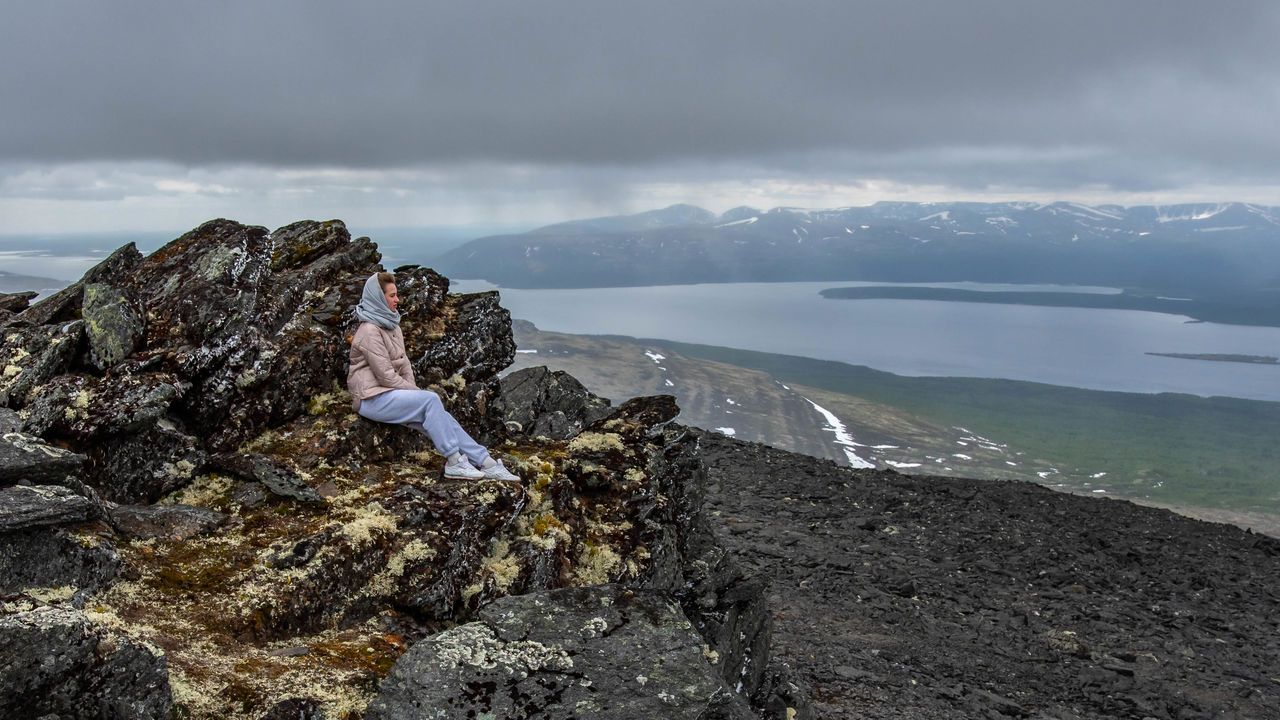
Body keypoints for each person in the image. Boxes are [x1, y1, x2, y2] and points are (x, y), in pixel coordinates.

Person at [346, 271, 520, 481]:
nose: (397, 300)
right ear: (378, 297)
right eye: (392, 295)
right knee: (430, 400)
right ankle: (454, 461)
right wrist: (417, 394)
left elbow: (404, 365)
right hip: (370, 399)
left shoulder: (392, 325)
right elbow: (386, 377)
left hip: (389, 394)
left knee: (441, 417)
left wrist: (413, 394)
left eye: (396, 295)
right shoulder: (369, 331)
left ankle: (486, 462)